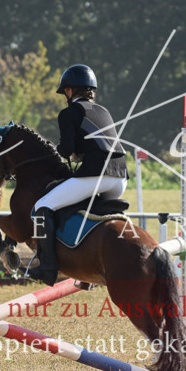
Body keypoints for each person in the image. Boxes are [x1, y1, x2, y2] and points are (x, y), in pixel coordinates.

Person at [26, 64, 128, 284]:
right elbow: (97, 144)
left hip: (96, 175)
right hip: (120, 178)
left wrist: (54, 151)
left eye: (66, 92)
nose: (65, 96)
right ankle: (87, 273)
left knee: (43, 207)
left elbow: (67, 148)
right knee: (91, 212)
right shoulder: (103, 111)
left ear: (70, 91)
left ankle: (47, 267)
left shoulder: (68, 113)